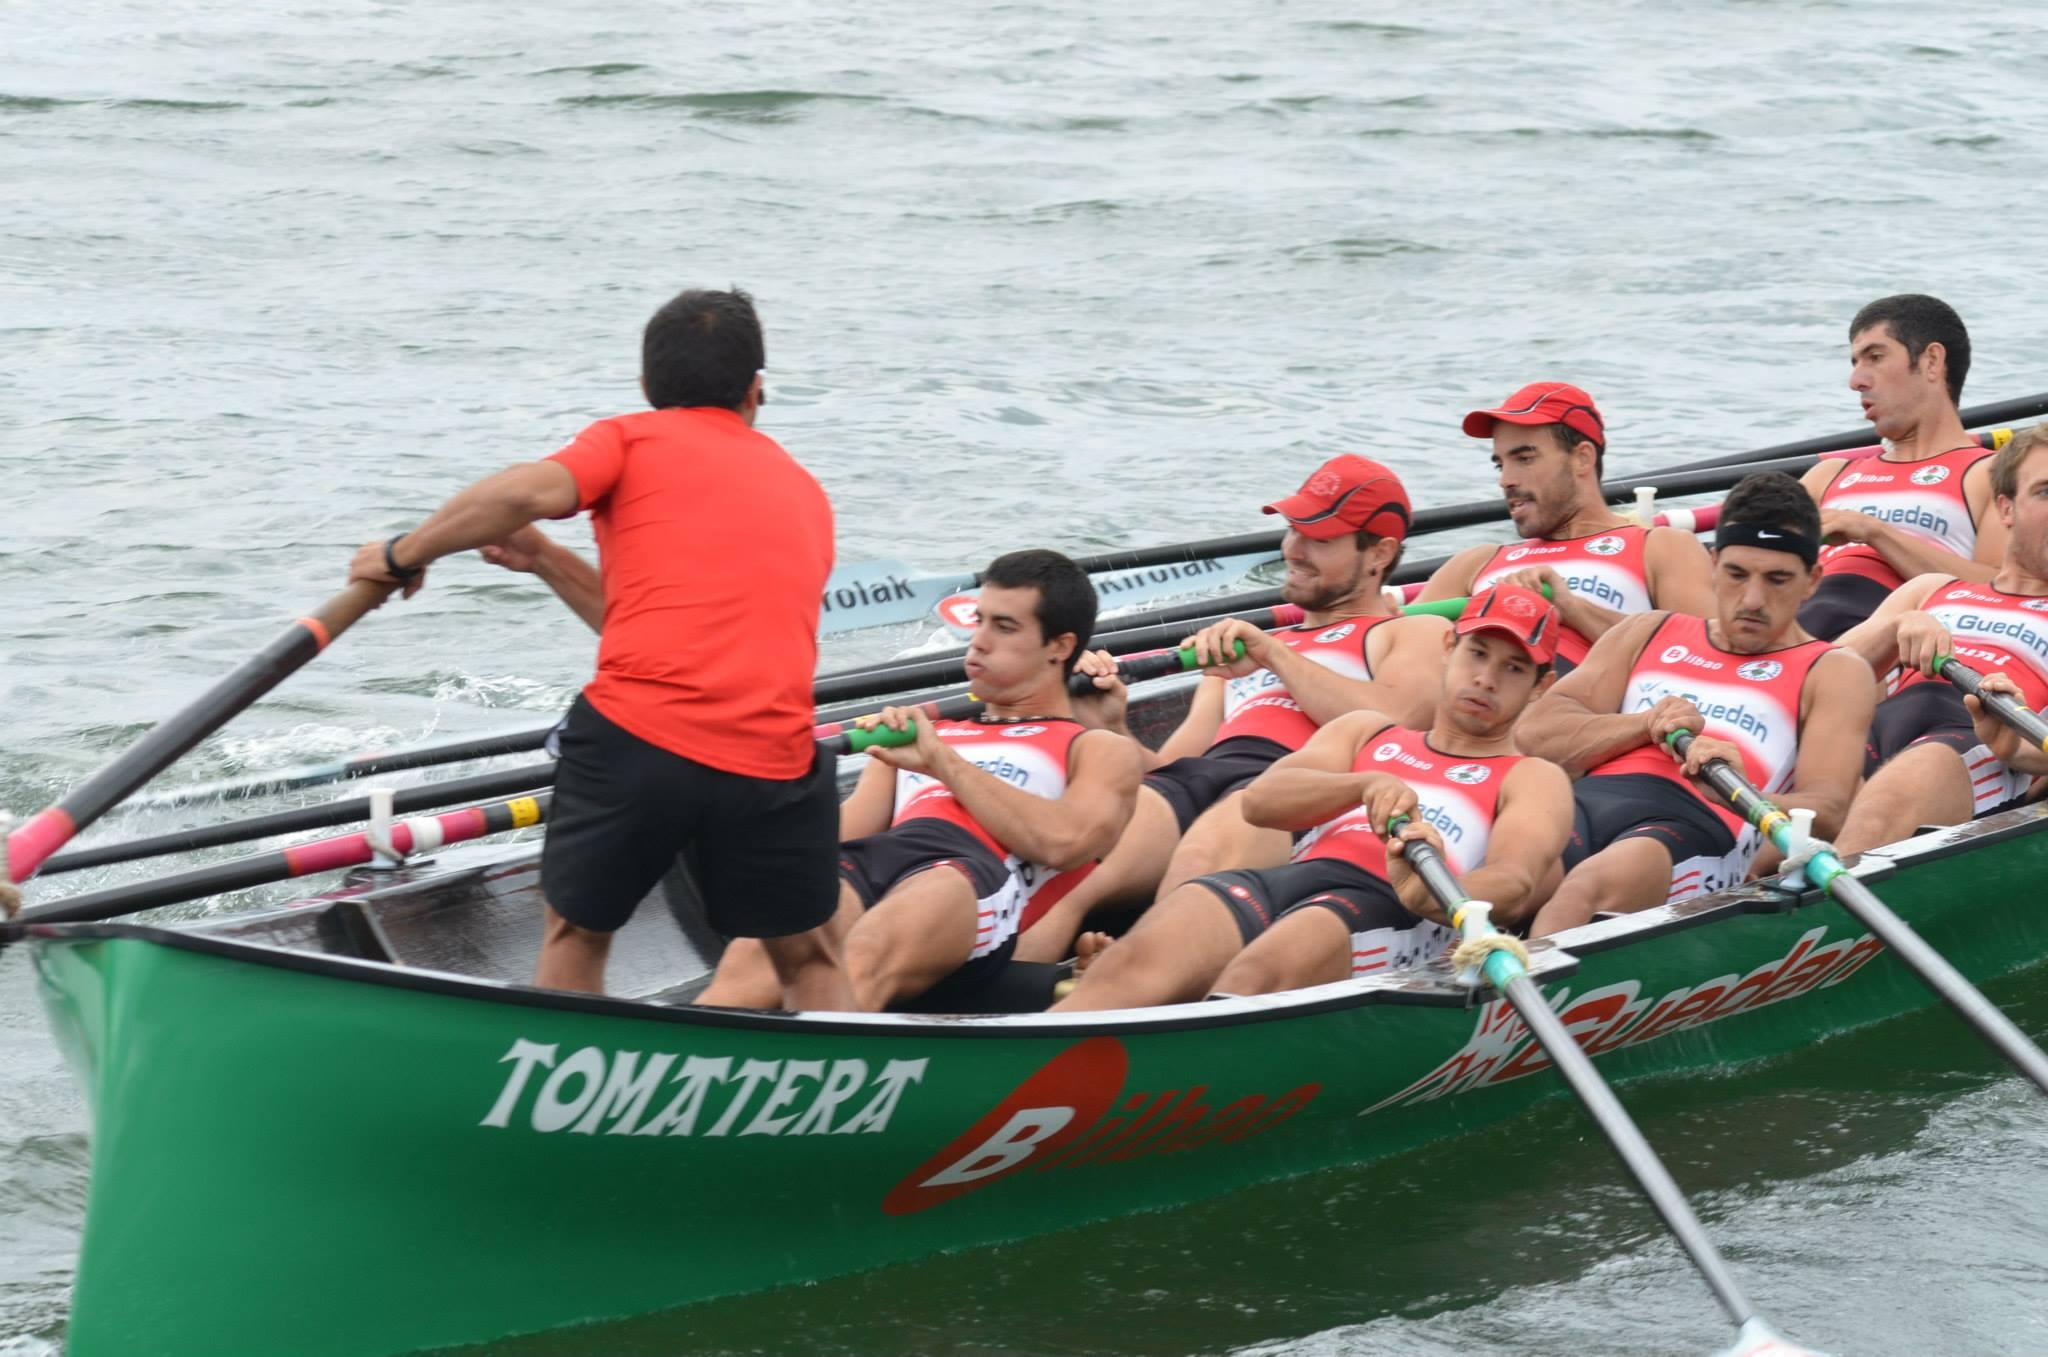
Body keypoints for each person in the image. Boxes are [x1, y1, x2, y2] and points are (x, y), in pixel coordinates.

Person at [346, 287, 853, 1007]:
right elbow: (656, 628)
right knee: (810, 957)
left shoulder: (629, 438)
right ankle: (846, 1103)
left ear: (647, 388)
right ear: (755, 390)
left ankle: (558, 1083)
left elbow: (522, 491)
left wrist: (405, 551)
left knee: (577, 936)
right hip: (770, 758)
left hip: (639, 742)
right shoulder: (805, 491)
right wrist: (548, 558)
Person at [1010, 456, 1451, 964]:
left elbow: (1399, 718)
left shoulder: (1407, 631)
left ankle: (1127, 981)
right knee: (1076, 867)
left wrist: (1273, 654)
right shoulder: (1247, 650)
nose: (1295, 551)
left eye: (1320, 539)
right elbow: (1174, 766)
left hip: (1291, 787)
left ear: (1379, 555)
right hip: (1204, 776)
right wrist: (1110, 723)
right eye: (1293, 531)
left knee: (1199, 859)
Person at [1052, 584, 1572, 1009]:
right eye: (1477, 653)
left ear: (1540, 687)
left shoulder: (1532, 776)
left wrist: (1431, 892)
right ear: (1448, 650)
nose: (1485, 678)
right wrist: (1363, 785)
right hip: (1291, 878)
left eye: (1513, 668)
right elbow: (1262, 801)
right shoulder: (1367, 730)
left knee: (1256, 977)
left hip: (1393, 906)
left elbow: (1515, 880)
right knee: (1130, 964)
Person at [698, 550, 1144, 1012]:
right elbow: (838, 838)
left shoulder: (1096, 747)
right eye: (978, 620)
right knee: (764, 942)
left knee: (867, 952)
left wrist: (939, 761)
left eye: (1004, 627)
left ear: (1059, 646)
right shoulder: (927, 735)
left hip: (974, 872)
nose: (978, 642)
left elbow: (1062, 843)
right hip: (886, 856)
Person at [1515, 472, 1875, 937]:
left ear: (1812, 581)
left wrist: (1740, 790)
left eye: (1778, 580)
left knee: (1582, 891)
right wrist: (1646, 725)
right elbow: (1536, 733)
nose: (1752, 599)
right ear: (1713, 564)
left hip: (1701, 822)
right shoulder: (1648, 630)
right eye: (1737, 574)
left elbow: (1827, 811)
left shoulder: (1832, 670)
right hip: (1586, 804)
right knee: (1513, 878)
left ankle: (1508, 997)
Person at [1832, 427, 2048, 855]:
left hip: (1982, 743)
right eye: (2046, 492)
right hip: (1878, 730)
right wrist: (1895, 629)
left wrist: (2015, 748)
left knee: (1897, 792)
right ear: (2006, 509)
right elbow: (1815, 678)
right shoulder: (1931, 588)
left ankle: (1819, 905)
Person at [1418, 381, 1714, 675]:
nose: (1505, 480)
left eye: (1524, 459)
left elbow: (1705, 663)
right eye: (1500, 464)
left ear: (1582, 458)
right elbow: (1390, 640)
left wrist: (1571, 609)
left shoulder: (1660, 547)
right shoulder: (1475, 562)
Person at [1797, 294, 2001, 640]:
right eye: (1855, 362)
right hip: (1796, 634)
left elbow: (2004, 595)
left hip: (1887, 648)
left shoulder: (1993, 473)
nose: (1856, 380)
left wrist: (1874, 532)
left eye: (1875, 357)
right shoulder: (1827, 475)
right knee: (1671, 544)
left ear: (1932, 361)